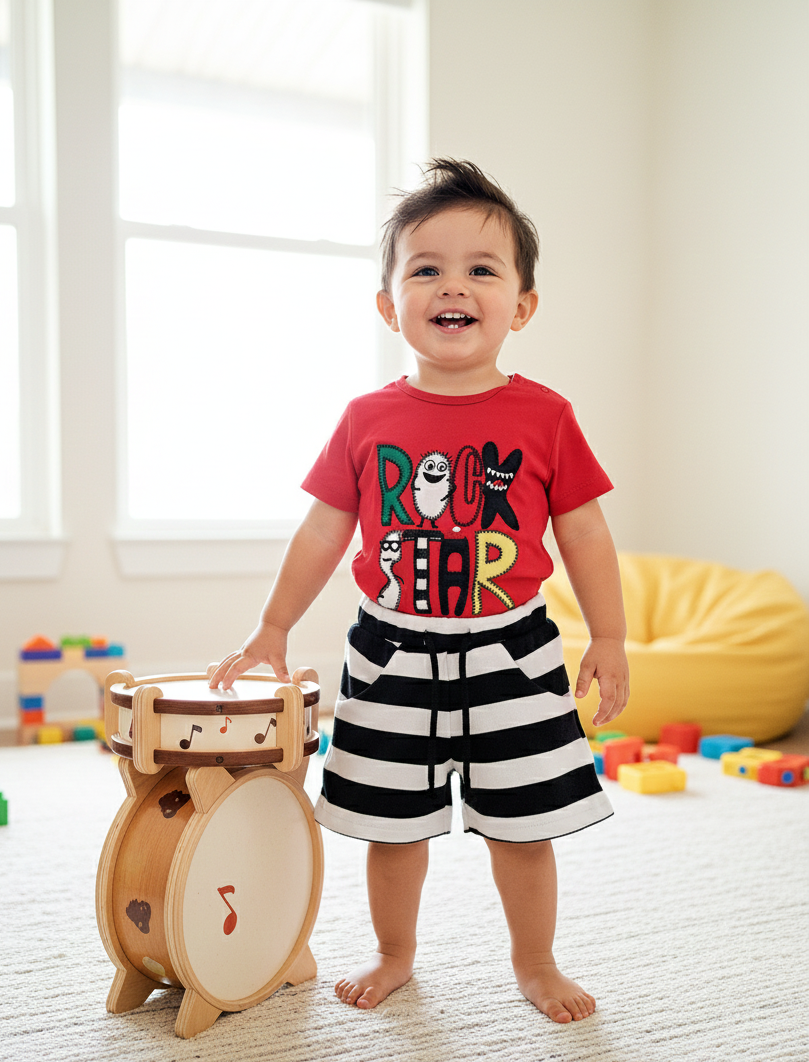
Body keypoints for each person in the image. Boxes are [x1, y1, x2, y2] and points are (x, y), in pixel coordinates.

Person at [210, 159, 629, 1023]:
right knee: (391, 824)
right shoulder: (367, 419)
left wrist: (611, 636)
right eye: (426, 268)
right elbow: (323, 531)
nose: (454, 286)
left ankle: (536, 961)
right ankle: (394, 952)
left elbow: (584, 533)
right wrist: (273, 626)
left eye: (482, 269)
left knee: (523, 825)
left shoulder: (546, 416)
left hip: (513, 650)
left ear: (521, 306)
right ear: (388, 304)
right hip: (392, 650)